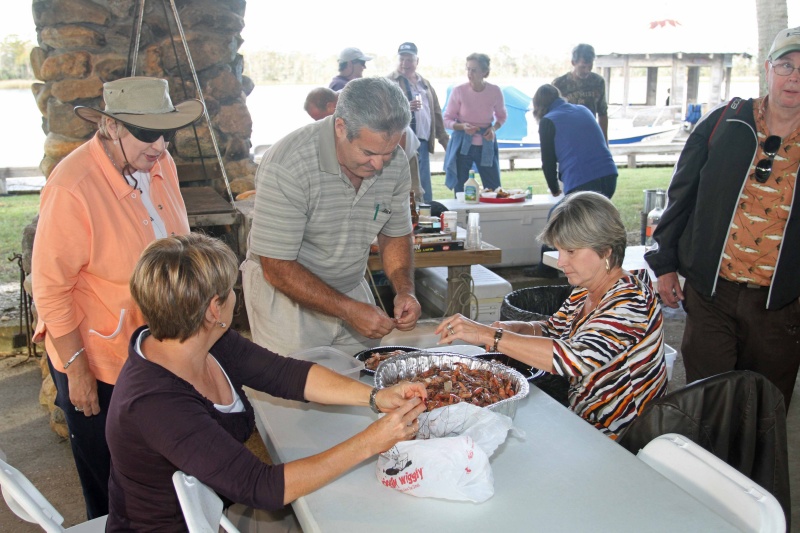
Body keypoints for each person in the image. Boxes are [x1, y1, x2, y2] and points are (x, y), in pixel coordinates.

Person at [105, 233, 427, 530]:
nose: (235, 296)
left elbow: (285, 374)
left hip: (216, 506)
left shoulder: (203, 340)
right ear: (213, 309)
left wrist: (375, 397)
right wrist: (371, 441)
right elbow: (263, 487)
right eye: (230, 290)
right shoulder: (156, 405)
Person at [30, 76, 203, 519]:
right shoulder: (73, 186)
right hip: (98, 355)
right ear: (109, 127)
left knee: (158, 470)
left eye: (166, 132)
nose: (160, 144)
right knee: (109, 479)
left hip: (156, 349)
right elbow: (50, 288)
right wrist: (76, 370)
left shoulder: (160, 165)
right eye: (146, 133)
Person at [645, 26, 800, 407]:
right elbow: (681, 196)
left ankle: (751, 471)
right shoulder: (725, 122)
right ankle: (704, 467)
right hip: (713, 294)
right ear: (768, 69)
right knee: (706, 405)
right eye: (786, 65)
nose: (794, 77)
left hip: (780, 307)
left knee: (763, 412)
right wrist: (665, 265)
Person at [436, 192, 667, 439]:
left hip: (623, 436)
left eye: (570, 251)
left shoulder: (630, 300)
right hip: (583, 421)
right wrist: (516, 327)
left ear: (606, 250)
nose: (561, 262)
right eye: (559, 251)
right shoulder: (586, 289)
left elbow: (575, 359)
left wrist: (489, 334)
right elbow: (554, 330)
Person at [242, 77, 422, 356]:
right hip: (286, 296)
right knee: (295, 389)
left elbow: (395, 233)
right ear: (340, 127)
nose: (378, 164)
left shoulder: (394, 161)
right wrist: (348, 310)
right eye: (369, 152)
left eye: (387, 153)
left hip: (350, 286)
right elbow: (276, 266)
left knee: (362, 383)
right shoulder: (288, 163)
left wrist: (404, 290)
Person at [525, 83, 617, 278]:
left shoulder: (548, 121)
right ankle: (599, 265)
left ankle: (547, 268)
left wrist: (553, 188)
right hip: (609, 175)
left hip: (584, 180)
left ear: (539, 107)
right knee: (592, 223)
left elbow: (548, 162)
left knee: (559, 216)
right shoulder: (583, 110)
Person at [303, 87, 425, 200]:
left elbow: (396, 129)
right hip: (383, 151)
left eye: (318, 118)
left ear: (330, 106)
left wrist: (394, 157)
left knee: (411, 194)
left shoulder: (358, 101)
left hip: (403, 147)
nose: (319, 124)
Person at [388, 42, 449, 204]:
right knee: (407, 185)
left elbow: (435, 111)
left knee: (424, 184)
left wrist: (443, 139)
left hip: (423, 140)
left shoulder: (425, 83)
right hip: (402, 143)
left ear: (417, 61)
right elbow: (382, 112)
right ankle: (410, 219)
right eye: (401, 59)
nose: (405, 64)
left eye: (409, 60)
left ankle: (427, 217)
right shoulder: (389, 82)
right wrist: (405, 107)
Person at [443, 53, 507, 193]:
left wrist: (494, 129)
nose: (469, 73)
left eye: (474, 70)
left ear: (484, 72)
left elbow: (502, 116)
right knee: (461, 189)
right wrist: (462, 126)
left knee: (494, 188)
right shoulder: (459, 90)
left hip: (486, 143)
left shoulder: (495, 91)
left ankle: (492, 214)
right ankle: (461, 214)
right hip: (463, 145)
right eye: (468, 69)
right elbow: (446, 119)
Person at [552, 43, 609, 142]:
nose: (587, 70)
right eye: (582, 67)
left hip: (590, 135)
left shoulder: (598, 82)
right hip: (567, 137)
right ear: (573, 63)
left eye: (590, 66)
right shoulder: (559, 84)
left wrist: (604, 142)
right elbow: (551, 116)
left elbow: (602, 113)